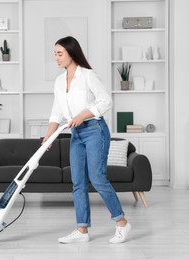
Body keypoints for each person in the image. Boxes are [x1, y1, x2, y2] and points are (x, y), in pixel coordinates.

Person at [42, 36, 131, 244]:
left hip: (94, 130)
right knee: (78, 182)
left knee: (98, 178)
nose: (56, 57)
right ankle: (82, 230)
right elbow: (57, 112)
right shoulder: (58, 81)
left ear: (72, 53)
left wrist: (82, 115)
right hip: (76, 134)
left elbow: (106, 101)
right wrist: (49, 135)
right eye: (55, 53)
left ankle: (122, 224)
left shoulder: (88, 76)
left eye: (59, 53)